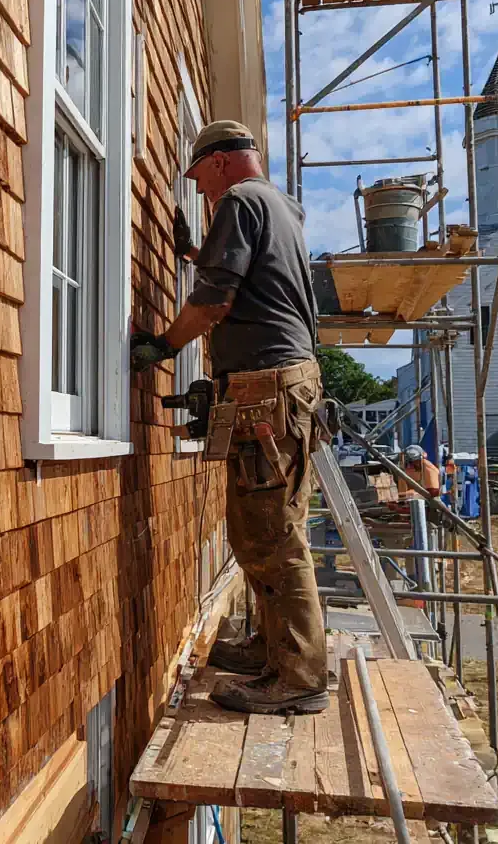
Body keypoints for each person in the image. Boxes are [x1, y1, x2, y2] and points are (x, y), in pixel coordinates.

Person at [130, 119, 326, 716]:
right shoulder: (280, 207)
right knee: (262, 525)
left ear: (219, 163)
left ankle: (298, 677)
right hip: (287, 386)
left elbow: (217, 300)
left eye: (200, 179)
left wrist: (163, 345)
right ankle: (275, 651)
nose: (203, 192)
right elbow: (258, 282)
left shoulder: (239, 201)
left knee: (272, 534)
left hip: (266, 388)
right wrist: (195, 251)